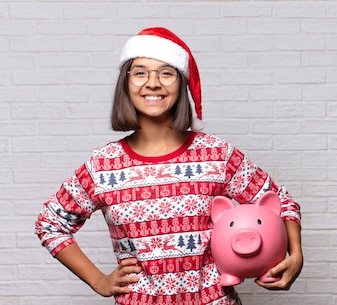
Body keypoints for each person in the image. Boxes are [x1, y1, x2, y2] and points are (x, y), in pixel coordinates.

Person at [34, 27, 303, 305]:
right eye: (140, 72)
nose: (153, 83)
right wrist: (98, 280)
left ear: (181, 83)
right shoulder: (103, 165)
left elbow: (280, 201)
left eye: (166, 73)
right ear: (125, 84)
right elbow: (51, 224)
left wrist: (295, 256)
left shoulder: (216, 154)